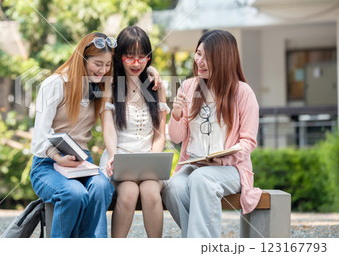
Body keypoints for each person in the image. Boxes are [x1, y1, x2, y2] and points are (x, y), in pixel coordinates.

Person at [161, 29, 262, 238]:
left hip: (231, 169)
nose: (200, 61)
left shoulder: (243, 92)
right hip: (194, 166)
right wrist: (177, 115)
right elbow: (177, 137)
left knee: (202, 179)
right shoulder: (189, 87)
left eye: (208, 58)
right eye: (198, 54)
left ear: (224, 59)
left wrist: (223, 160)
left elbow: (248, 142)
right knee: (173, 187)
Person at [29, 32, 116, 238]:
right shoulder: (55, 84)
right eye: (97, 64)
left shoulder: (101, 85)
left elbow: (109, 125)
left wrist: (152, 71)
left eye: (107, 64)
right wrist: (59, 158)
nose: (103, 70)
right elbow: (39, 136)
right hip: (47, 164)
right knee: (74, 193)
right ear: (83, 59)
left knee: (102, 186)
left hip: (81, 163)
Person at [100, 26, 169, 238]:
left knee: (150, 191)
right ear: (120, 57)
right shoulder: (110, 86)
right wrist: (113, 156)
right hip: (117, 157)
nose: (136, 63)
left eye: (142, 57)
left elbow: (160, 134)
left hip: (150, 158)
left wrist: (153, 160)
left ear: (149, 58)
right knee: (128, 192)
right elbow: (108, 128)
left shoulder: (157, 87)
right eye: (130, 57)